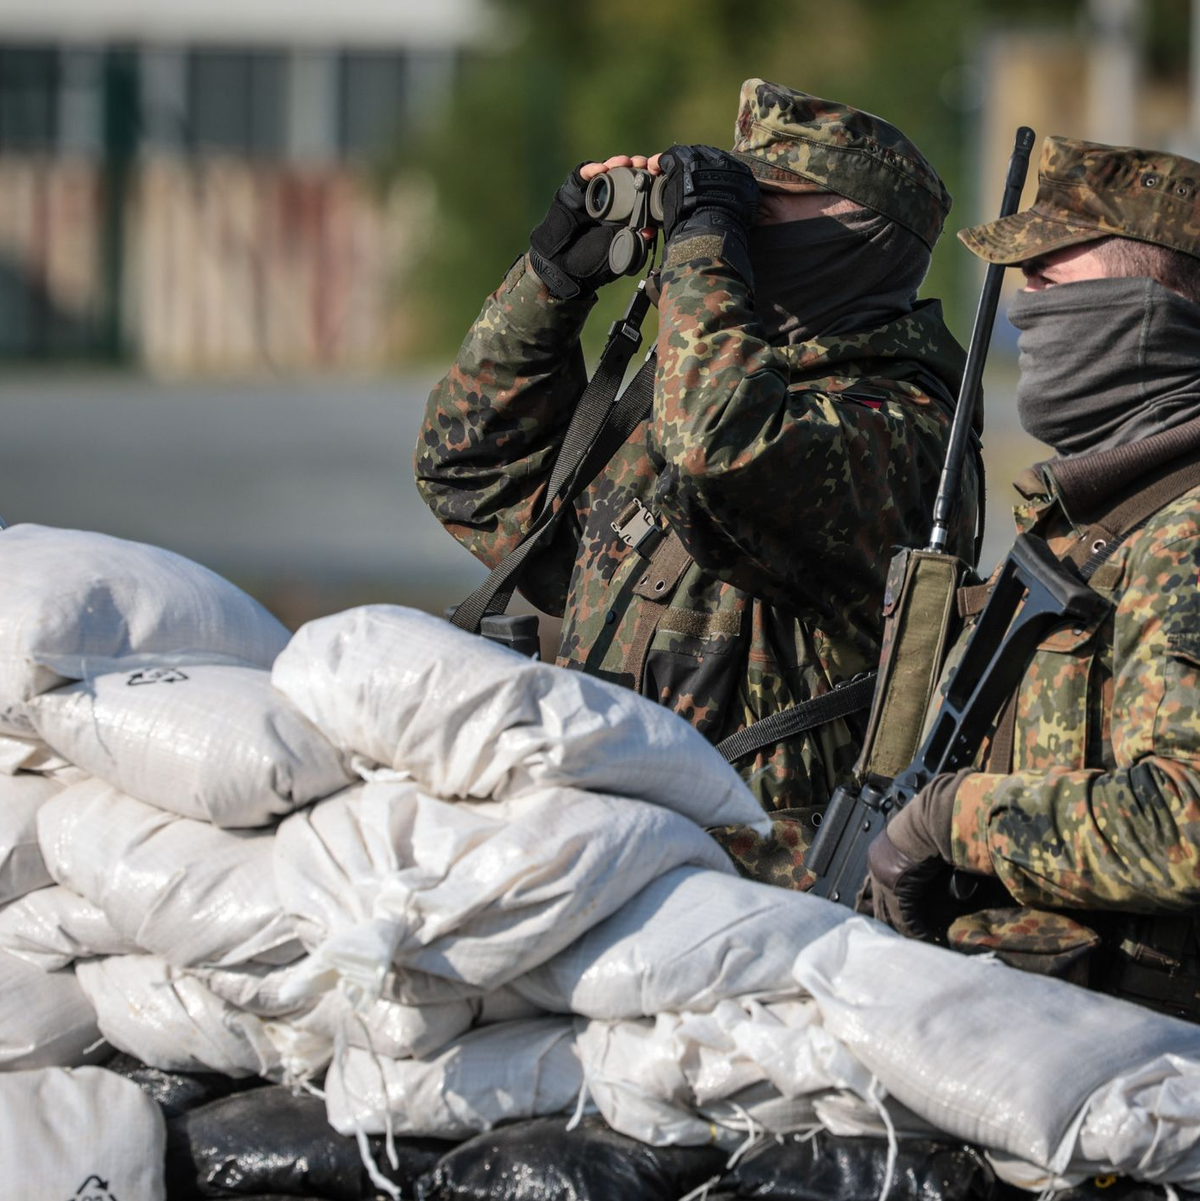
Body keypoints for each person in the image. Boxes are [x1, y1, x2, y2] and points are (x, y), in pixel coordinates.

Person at [416, 78, 977, 887]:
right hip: (612, 853)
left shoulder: (901, 429)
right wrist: (552, 284)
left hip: (760, 890)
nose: (740, 228)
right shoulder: (702, 385)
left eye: (765, 203)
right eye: (733, 202)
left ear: (858, 234)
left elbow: (721, 446)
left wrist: (703, 245)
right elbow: (467, 470)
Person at [864, 134, 1200, 1018]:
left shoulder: (1187, 529)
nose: (1026, 301)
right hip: (1030, 1024)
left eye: (1049, 271)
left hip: (1134, 1056)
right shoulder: (1087, 515)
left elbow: (1189, 820)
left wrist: (952, 821)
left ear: (1147, 301)